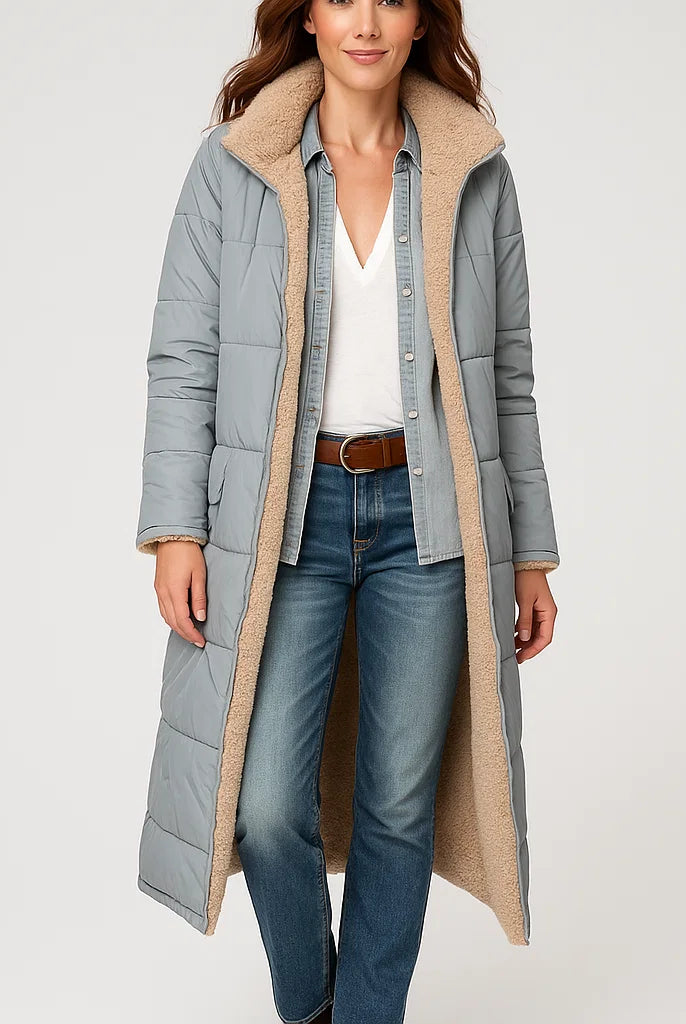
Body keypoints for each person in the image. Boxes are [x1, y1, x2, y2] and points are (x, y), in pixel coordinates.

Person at [135, 1, 560, 1022]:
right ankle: (313, 1007)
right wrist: (177, 529)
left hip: (431, 517)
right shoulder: (234, 169)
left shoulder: (472, 172)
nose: (365, 20)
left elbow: (507, 375)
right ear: (309, 19)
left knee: (397, 806)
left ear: (421, 21)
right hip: (285, 515)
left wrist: (531, 554)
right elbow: (183, 359)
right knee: (264, 807)